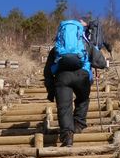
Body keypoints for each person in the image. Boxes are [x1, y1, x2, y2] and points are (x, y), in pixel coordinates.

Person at [43, 19, 107, 147]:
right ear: (79, 31)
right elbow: (102, 63)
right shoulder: (84, 44)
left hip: (62, 77)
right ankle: (78, 124)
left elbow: (48, 72)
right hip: (82, 76)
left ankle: (67, 137)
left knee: (64, 108)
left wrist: (51, 92)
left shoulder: (57, 48)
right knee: (83, 99)